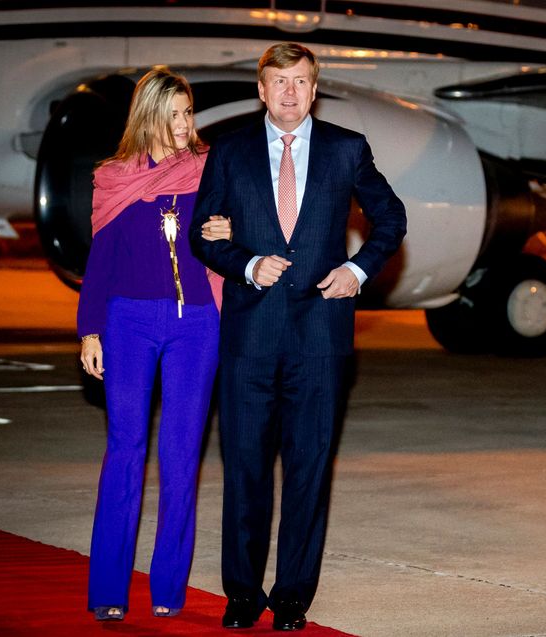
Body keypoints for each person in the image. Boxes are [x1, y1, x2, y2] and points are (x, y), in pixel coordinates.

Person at [189, 42, 407, 631]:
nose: (290, 91)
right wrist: (245, 264)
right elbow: (201, 236)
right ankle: (241, 592)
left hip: (321, 337)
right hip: (249, 336)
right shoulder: (230, 152)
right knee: (245, 468)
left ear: (315, 89)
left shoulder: (346, 149)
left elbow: (391, 218)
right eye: (279, 81)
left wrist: (358, 270)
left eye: (301, 81)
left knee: (310, 467)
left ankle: (292, 597)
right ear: (261, 90)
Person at [78, 66, 232, 622]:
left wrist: (229, 234)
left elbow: (236, 238)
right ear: (147, 118)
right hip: (127, 321)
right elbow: (100, 261)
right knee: (124, 451)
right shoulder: (114, 178)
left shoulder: (211, 171)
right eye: (171, 116)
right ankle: (109, 591)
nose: (182, 126)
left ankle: (169, 587)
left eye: (187, 113)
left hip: (197, 323)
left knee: (182, 454)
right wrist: (89, 329)